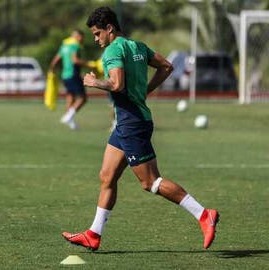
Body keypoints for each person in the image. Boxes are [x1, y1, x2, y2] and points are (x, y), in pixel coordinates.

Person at [62, 6, 219, 251]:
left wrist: (94, 82)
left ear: (109, 29)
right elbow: (166, 66)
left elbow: (116, 84)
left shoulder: (113, 50)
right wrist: (145, 90)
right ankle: (94, 233)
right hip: (128, 123)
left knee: (151, 182)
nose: (95, 39)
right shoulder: (137, 46)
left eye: (97, 33)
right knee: (107, 176)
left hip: (132, 123)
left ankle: (203, 214)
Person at [49, 29, 90, 130]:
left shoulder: (64, 46)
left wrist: (51, 71)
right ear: (77, 36)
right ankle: (68, 117)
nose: (82, 39)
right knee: (83, 98)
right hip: (73, 74)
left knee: (70, 96)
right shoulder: (75, 45)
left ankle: (70, 121)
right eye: (81, 37)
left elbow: (55, 61)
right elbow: (75, 60)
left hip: (65, 75)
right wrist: (89, 65)